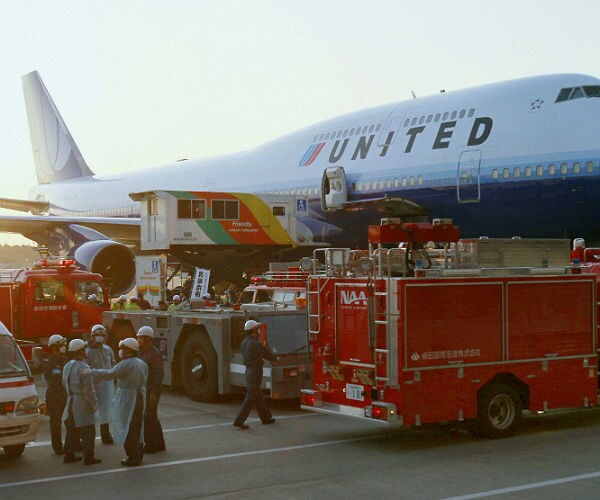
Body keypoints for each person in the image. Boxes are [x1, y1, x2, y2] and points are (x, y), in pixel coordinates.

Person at [88, 338, 148, 466]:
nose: (120, 351)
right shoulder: (141, 363)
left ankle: (133, 456)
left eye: (122, 348)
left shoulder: (127, 363)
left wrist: (92, 371)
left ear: (128, 350)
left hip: (128, 398)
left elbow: (110, 373)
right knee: (137, 426)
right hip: (139, 396)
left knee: (128, 426)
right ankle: (139, 452)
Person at [62, 339, 101, 465]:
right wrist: (94, 403)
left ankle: (68, 454)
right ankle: (89, 456)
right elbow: (88, 389)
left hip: (72, 399)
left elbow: (64, 382)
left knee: (71, 428)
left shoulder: (68, 365)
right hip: (82, 400)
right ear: (80, 351)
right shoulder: (84, 367)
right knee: (88, 429)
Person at [233, 320, 277, 429]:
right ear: (254, 330)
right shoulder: (256, 344)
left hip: (248, 371)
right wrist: (275, 357)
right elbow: (268, 355)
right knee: (251, 397)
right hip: (255, 372)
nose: (258, 331)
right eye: (257, 329)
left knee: (258, 396)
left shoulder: (244, 343)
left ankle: (266, 418)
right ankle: (239, 420)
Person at [136, 326, 166, 453]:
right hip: (146, 389)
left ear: (147, 339)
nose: (138, 340)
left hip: (152, 390)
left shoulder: (154, 354)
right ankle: (160, 443)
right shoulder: (142, 351)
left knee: (149, 417)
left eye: (140, 338)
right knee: (152, 416)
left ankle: (151, 446)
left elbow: (159, 375)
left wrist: (154, 393)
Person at [85, 324, 115, 444]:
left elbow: (112, 364)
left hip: (106, 386)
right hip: (93, 385)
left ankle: (105, 434)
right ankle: (88, 438)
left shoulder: (108, 350)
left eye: (102, 335)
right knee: (89, 411)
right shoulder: (87, 351)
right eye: (97, 335)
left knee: (105, 411)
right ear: (92, 337)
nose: (100, 338)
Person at [42, 334, 68, 455]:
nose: (64, 347)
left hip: (65, 392)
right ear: (55, 347)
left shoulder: (65, 359)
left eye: (64, 345)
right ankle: (58, 447)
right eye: (61, 345)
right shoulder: (49, 362)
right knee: (56, 422)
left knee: (70, 420)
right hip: (54, 394)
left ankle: (72, 444)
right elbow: (53, 378)